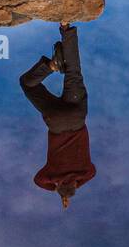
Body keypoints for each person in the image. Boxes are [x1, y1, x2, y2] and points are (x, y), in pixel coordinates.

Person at [19, 23, 95, 208]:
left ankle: (66, 27)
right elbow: (38, 180)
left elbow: (91, 174)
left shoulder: (84, 172)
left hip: (77, 118)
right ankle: (52, 65)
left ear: (76, 185)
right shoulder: (52, 176)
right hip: (56, 123)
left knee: (74, 73)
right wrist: (58, 190)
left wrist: (73, 184)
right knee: (28, 84)